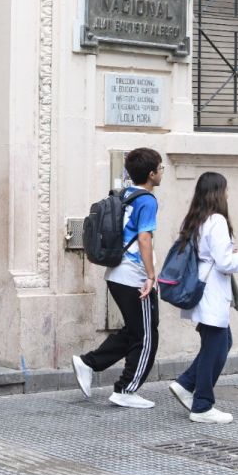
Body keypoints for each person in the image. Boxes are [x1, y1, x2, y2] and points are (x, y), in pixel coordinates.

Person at [71, 147, 164, 408]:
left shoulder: (125, 195)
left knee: (135, 331)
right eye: (160, 168)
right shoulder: (147, 200)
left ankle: (89, 362)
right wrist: (151, 276)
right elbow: (144, 238)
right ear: (151, 173)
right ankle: (126, 389)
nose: (162, 172)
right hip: (135, 277)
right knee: (147, 336)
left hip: (116, 274)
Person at [167, 171, 238, 424]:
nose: (228, 194)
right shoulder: (216, 220)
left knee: (221, 341)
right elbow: (224, 261)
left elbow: (209, 253)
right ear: (218, 193)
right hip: (211, 291)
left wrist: (232, 252)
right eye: (226, 190)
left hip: (201, 288)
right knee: (214, 346)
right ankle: (202, 405)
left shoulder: (194, 219)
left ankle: (185, 384)